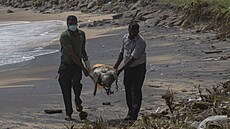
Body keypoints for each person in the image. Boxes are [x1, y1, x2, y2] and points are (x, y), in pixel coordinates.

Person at [58, 15, 90, 121]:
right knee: (66, 90)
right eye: (70, 24)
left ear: (77, 23)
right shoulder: (65, 36)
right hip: (66, 65)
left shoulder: (81, 34)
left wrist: (87, 63)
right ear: (67, 24)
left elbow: (82, 50)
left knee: (77, 84)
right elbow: (71, 54)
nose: (73, 25)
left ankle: (77, 99)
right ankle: (69, 113)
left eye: (74, 23)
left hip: (77, 66)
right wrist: (83, 68)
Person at [114, 22, 146, 121]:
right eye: (130, 31)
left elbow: (133, 58)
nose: (131, 33)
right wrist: (115, 67)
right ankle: (130, 111)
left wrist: (120, 70)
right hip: (127, 68)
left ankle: (134, 114)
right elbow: (122, 53)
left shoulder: (141, 42)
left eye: (134, 31)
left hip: (138, 68)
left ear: (137, 31)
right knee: (127, 89)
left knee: (135, 90)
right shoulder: (125, 38)